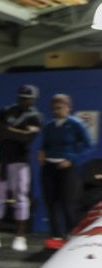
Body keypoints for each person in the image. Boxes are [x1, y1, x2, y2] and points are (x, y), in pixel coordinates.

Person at [0, 85, 42, 251]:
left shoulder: (35, 116)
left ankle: (20, 237)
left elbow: (27, 138)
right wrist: (15, 133)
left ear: (33, 100)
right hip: (1, 160)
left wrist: (5, 131)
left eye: (27, 98)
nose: (24, 100)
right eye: (21, 97)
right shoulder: (5, 111)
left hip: (20, 161)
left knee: (20, 198)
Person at [38, 93, 92, 245]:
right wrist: (41, 152)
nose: (57, 110)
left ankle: (72, 235)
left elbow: (88, 146)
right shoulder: (49, 126)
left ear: (68, 107)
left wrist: (72, 159)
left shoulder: (76, 124)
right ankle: (55, 236)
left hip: (67, 169)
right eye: (54, 107)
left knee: (68, 203)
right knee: (51, 202)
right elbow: (45, 144)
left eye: (60, 107)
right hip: (49, 167)